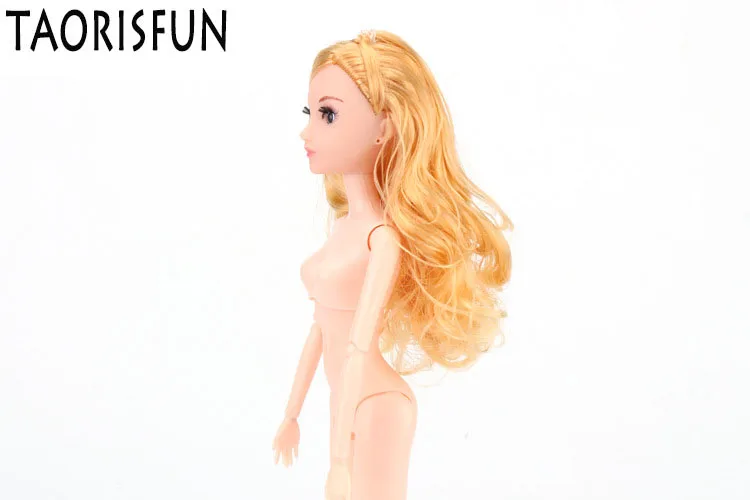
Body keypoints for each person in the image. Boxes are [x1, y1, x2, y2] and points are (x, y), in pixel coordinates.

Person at [272, 29, 513, 500]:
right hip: (344, 399)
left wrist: (339, 462)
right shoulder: (345, 226)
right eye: (310, 113)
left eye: (328, 114)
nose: (307, 131)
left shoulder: (381, 239)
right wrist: (291, 414)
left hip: (377, 403)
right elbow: (320, 331)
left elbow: (358, 345)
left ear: (383, 129)